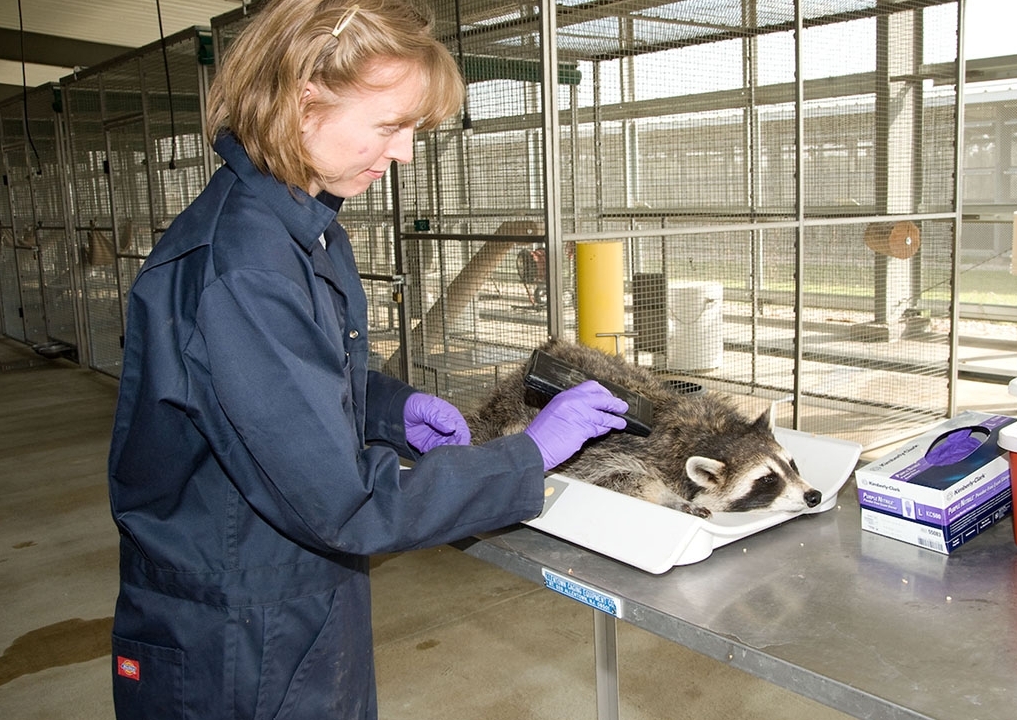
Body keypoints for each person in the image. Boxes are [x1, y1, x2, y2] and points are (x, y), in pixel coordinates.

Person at [105, 1, 627, 718]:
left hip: (290, 598)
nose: (406, 152)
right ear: (301, 101)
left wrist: (390, 408)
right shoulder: (247, 267)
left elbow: (286, 383)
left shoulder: (306, 229)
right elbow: (347, 502)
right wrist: (524, 458)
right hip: (237, 632)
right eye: (390, 125)